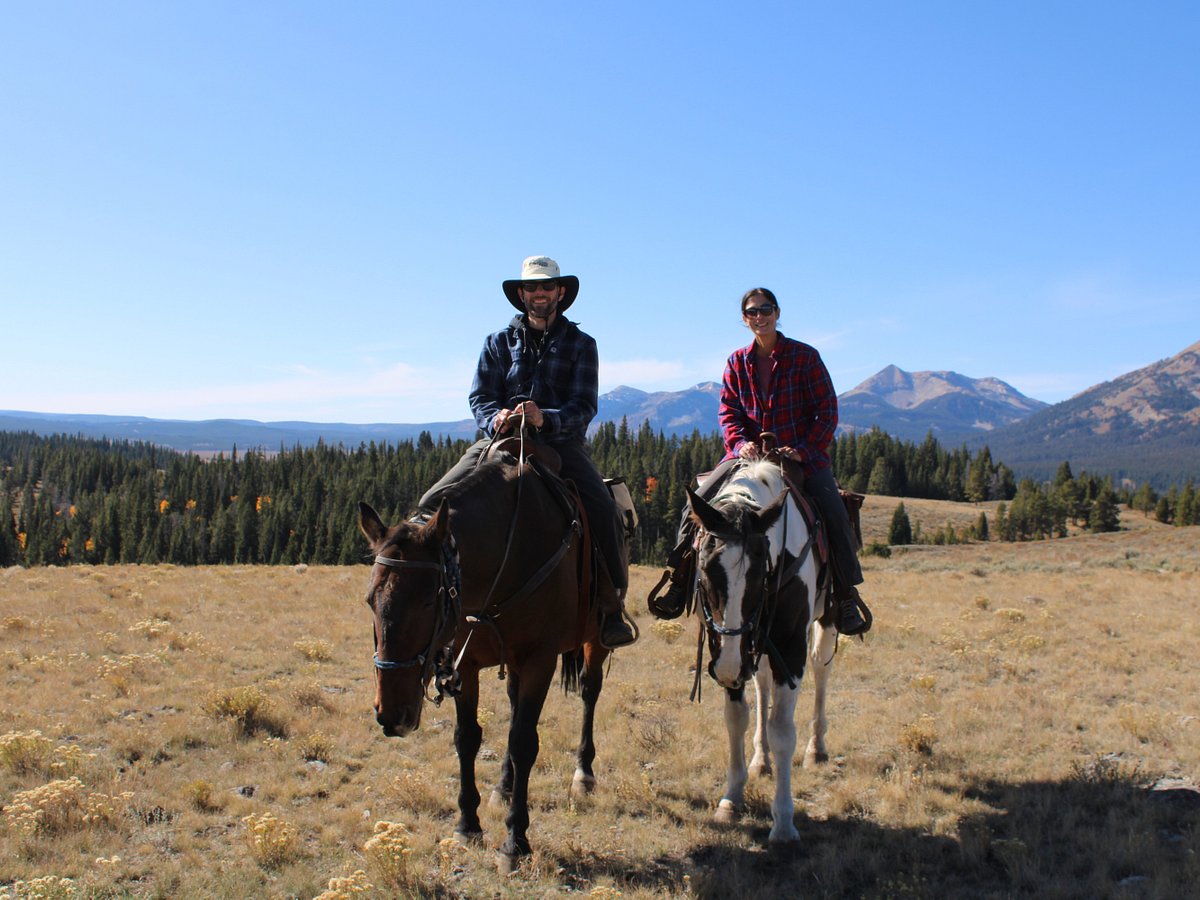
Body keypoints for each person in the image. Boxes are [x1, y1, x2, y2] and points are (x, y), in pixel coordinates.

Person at [417, 256, 637, 649]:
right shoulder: (497, 342)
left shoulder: (582, 345)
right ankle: (434, 597)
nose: (539, 293)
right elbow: (480, 397)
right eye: (532, 287)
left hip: (559, 444)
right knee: (432, 502)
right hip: (500, 440)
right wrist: (495, 416)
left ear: (560, 292)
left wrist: (544, 418)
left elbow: (584, 406)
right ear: (521, 294)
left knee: (603, 509)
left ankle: (610, 605)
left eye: (546, 287)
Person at [649, 287, 872, 636]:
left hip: (798, 458)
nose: (759, 316)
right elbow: (728, 412)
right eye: (752, 312)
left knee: (833, 511)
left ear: (777, 312)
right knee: (697, 503)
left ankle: (844, 594)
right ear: (744, 318)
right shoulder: (737, 362)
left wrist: (804, 450)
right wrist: (739, 443)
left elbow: (826, 411)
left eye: (765, 310)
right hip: (746, 457)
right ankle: (679, 580)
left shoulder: (805, 357)